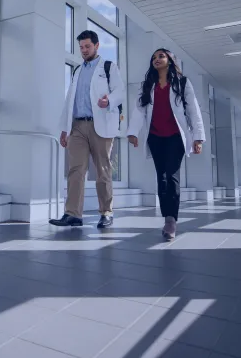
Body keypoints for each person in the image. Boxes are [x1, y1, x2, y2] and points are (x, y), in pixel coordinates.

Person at [126, 49, 205, 241]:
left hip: (175, 137)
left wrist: (198, 137)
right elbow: (139, 110)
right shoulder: (148, 85)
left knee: (172, 177)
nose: (156, 59)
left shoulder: (182, 82)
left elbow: (193, 110)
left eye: (161, 56)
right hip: (155, 137)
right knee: (161, 178)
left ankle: (171, 220)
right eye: (153, 57)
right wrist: (132, 132)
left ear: (170, 60)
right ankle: (166, 216)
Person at [53, 30, 125, 229]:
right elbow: (70, 100)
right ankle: (73, 214)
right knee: (75, 170)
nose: (84, 50)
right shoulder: (77, 70)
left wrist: (108, 100)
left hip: (100, 124)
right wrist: (64, 128)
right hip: (77, 125)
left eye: (87, 46)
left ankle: (106, 213)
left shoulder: (109, 67)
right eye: (81, 47)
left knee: (103, 170)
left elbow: (120, 91)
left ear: (96, 46)